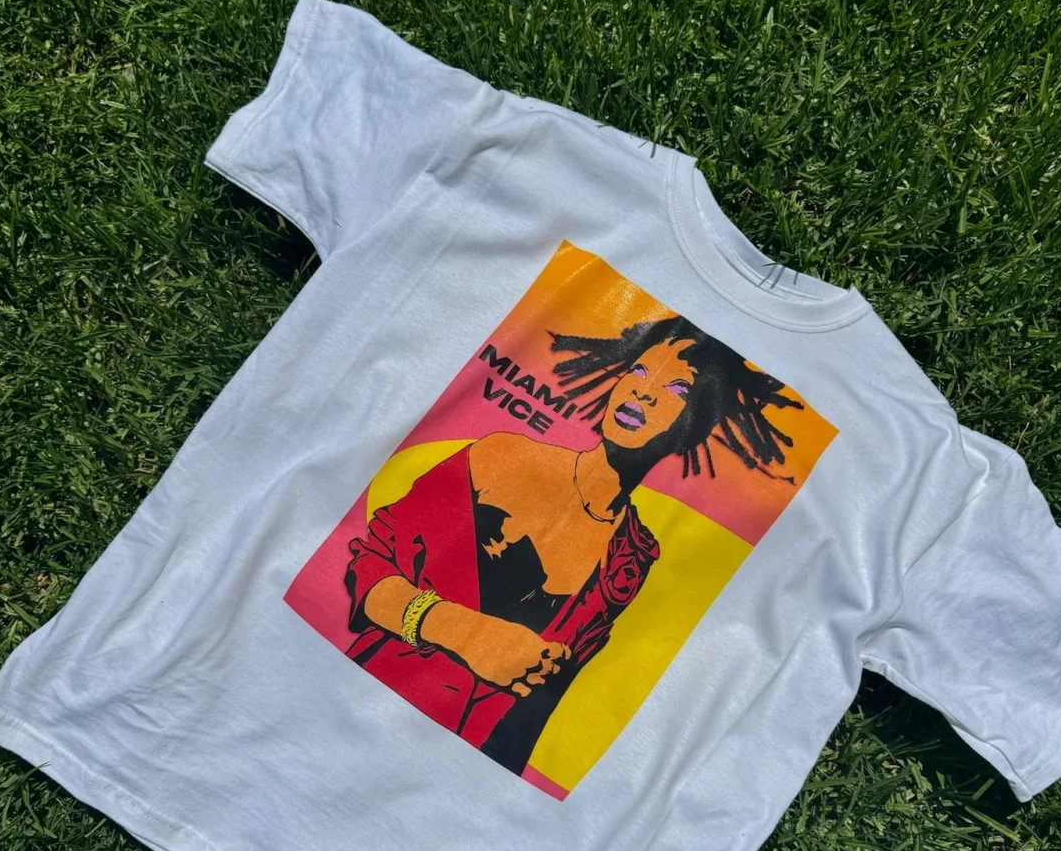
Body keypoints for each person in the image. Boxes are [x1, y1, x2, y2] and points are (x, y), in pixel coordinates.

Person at [344, 315, 804, 774]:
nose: (643, 391)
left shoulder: (633, 559)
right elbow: (370, 562)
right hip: (360, 706)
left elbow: (541, 707)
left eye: (677, 389)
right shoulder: (504, 457)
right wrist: (458, 630)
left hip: (470, 768)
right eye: (639, 371)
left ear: (694, 427)